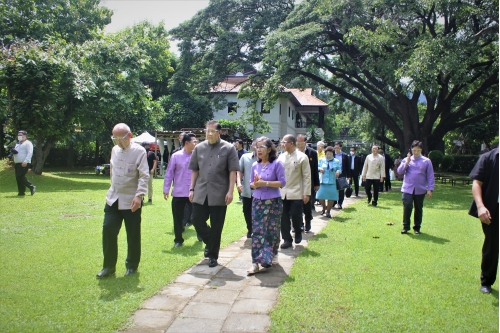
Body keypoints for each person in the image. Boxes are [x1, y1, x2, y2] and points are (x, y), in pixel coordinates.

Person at [96, 123, 149, 278]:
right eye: (115, 138)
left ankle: (131, 266)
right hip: (113, 198)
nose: (118, 141)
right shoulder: (114, 150)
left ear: (129, 136)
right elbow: (113, 172)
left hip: (131, 199)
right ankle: (108, 267)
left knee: (132, 234)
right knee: (108, 230)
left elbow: (144, 176)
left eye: (121, 138)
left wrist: (139, 196)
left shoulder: (139, 151)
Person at [188, 121, 240, 267]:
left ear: (219, 132)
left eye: (212, 131)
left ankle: (213, 255)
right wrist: (191, 189)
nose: (209, 134)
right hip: (201, 191)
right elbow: (195, 170)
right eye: (207, 131)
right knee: (196, 219)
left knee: (217, 226)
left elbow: (232, 171)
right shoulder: (199, 148)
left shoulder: (229, 148)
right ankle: (211, 243)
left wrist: (230, 191)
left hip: (219, 193)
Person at [247, 137, 286, 274]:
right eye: (257, 147)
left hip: (273, 202)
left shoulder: (277, 164)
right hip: (257, 201)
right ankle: (255, 262)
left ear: (269, 149)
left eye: (262, 147)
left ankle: (270, 256)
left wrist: (265, 183)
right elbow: (251, 184)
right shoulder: (254, 165)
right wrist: (255, 184)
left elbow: (282, 183)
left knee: (271, 231)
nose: (258, 150)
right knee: (257, 231)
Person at [469, 147, 498, 294]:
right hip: (494, 208)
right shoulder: (488, 158)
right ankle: (486, 281)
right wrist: (480, 207)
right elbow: (476, 183)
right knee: (492, 246)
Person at [163, 133, 198, 247]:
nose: (196, 143)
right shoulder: (176, 156)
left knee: (197, 216)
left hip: (193, 192)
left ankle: (200, 234)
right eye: (194, 141)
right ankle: (178, 239)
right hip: (179, 192)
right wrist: (166, 189)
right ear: (186, 143)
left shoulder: (197, 156)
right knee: (177, 217)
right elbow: (169, 173)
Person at [278, 134, 311, 249]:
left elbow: (307, 176)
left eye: (284, 142)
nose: (282, 144)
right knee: (283, 217)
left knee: (296, 216)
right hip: (283, 192)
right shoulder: (280, 157)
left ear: (291, 143)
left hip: (297, 192)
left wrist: (306, 193)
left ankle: (298, 230)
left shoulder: (302, 157)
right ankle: (287, 239)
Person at [397, 141, 434, 234]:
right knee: (407, 205)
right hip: (407, 188)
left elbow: (430, 176)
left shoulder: (426, 161)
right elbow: (399, 172)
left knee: (418, 208)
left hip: (420, 189)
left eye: (418, 150)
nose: (416, 152)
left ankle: (417, 227)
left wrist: (430, 189)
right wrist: (406, 163)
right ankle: (406, 226)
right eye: (414, 150)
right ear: (411, 150)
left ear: (421, 150)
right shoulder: (406, 159)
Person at [296, 134, 320, 232]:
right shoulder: (294, 153)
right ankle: (299, 224)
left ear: (306, 142)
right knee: (297, 204)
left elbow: (315, 168)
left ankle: (308, 221)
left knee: (307, 204)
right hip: (297, 182)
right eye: (298, 143)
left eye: (302, 143)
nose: (300, 145)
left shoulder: (312, 153)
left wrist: (316, 183)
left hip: (309, 182)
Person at [237, 140, 258, 238]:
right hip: (247, 191)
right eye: (254, 145)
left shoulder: (267, 159)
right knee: (246, 211)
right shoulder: (245, 157)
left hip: (261, 192)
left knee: (259, 212)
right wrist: (238, 182)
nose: (256, 147)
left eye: (259, 146)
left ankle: (258, 230)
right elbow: (239, 171)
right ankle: (250, 229)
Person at [317, 146, 341, 218]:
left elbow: (339, 169)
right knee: (320, 196)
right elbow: (317, 167)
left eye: (330, 154)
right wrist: (320, 169)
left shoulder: (336, 161)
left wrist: (338, 172)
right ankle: (324, 207)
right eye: (327, 154)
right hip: (322, 181)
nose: (328, 155)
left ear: (333, 154)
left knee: (331, 197)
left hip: (332, 182)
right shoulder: (321, 160)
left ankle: (328, 211)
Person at [12, 130, 36, 196]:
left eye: (20, 135)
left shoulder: (28, 143)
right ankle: (21, 192)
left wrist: (25, 161)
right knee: (18, 178)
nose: (19, 137)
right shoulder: (18, 144)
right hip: (17, 163)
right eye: (18, 135)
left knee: (20, 176)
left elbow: (30, 153)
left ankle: (32, 187)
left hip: (24, 163)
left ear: (25, 136)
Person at [333, 141, 349, 209]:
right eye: (335, 147)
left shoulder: (345, 155)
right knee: (333, 189)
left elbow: (347, 166)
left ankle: (340, 203)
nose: (336, 149)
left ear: (340, 147)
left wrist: (348, 176)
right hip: (333, 174)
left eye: (337, 147)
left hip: (342, 174)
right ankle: (333, 202)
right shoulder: (332, 154)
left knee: (341, 189)